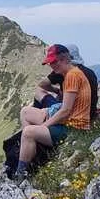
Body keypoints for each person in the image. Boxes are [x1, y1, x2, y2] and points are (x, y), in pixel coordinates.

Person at [15, 45, 93, 179]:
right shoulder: (72, 73)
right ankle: (31, 152)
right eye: (50, 63)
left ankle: (21, 173)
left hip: (74, 128)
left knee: (28, 132)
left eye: (54, 62)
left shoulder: (72, 76)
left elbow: (65, 111)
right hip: (68, 123)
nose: (51, 65)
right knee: (26, 112)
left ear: (64, 59)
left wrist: (44, 126)